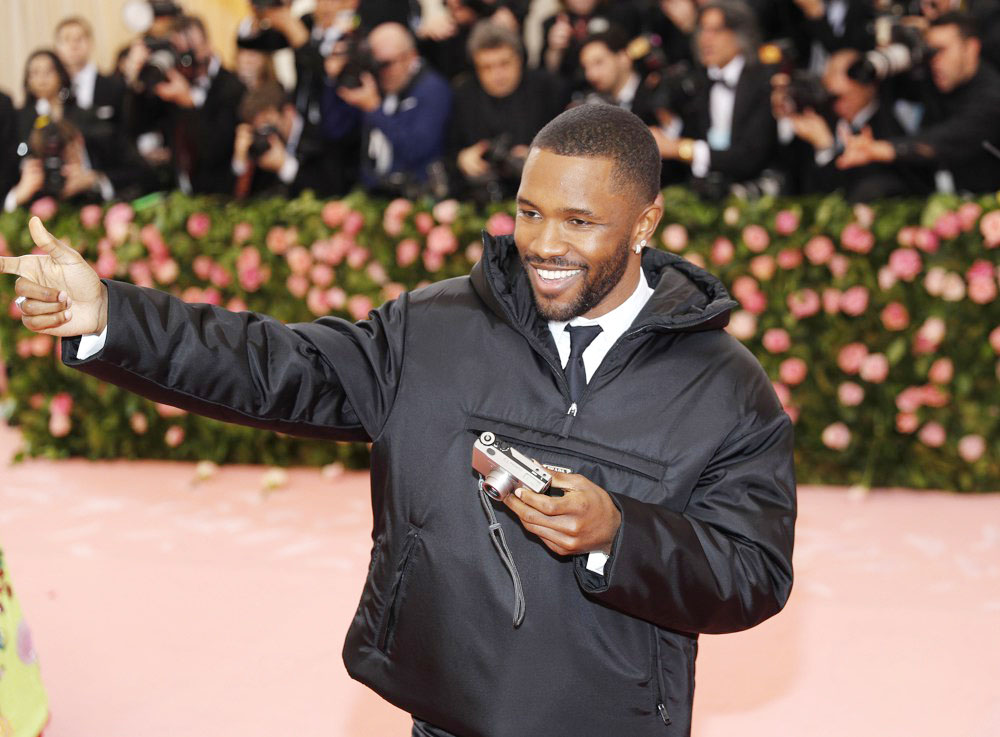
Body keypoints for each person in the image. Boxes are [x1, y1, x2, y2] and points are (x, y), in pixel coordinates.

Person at [1, 104, 796, 737]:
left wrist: (618, 534)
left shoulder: (727, 389)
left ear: (646, 223)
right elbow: (274, 365)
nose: (544, 243)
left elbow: (753, 572)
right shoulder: (435, 326)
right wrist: (112, 316)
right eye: (528, 211)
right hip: (445, 717)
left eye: (579, 222)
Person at [837, 12, 1000, 194]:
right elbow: (886, 85)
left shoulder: (991, 97)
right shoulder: (932, 79)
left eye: (941, 50)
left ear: (971, 48)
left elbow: (950, 139)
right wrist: (894, 45)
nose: (934, 60)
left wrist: (879, 149)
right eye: (929, 51)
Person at [651, 0, 779, 197]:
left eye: (716, 30)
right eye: (702, 30)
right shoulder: (696, 82)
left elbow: (752, 156)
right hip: (705, 191)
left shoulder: (764, 81)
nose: (705, 39)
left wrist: (681, 149)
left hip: (759, 191)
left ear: (740, 35)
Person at [772, 49, 933, 200]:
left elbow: (875, 187)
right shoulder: (820, 122)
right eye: (828, 72)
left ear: (866, 80)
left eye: (839, 72)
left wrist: (827, 151)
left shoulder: (891, 125)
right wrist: (786, 113)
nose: (830, 81)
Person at [321, 22, 451, 196]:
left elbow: (417, 149)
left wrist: (375, 110)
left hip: (417, 195)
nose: (380, 72)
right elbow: (334, 130)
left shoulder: (432, 90)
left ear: (411, 56)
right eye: (374, 63)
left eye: (386, 64)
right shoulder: (375, 87)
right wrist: (336, 79)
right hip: (375, 194)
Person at [448, 20, 568, 202]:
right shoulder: (464, 95)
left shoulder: (549, 89)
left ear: (519, 59)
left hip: (543, 194)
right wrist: (463, 158)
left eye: (504, 64)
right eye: (486, 67)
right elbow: (447, 150)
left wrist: (539, 157)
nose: (497, 75)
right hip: (480, 196)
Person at [232, 81, 357, 198]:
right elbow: (244, 197)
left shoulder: (320, 137)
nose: (267, 134)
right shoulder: (264, 147)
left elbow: (331, 190)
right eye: (259, 129)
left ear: (288, 112)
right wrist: (240, 161)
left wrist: (284, 166)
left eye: (268, 125)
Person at [54, 16, 126, 128]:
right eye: (66, 39)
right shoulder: (52, 88)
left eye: (79, 39)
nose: (73, 45)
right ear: (56, 47)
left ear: (91, 43)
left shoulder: (114, 85)